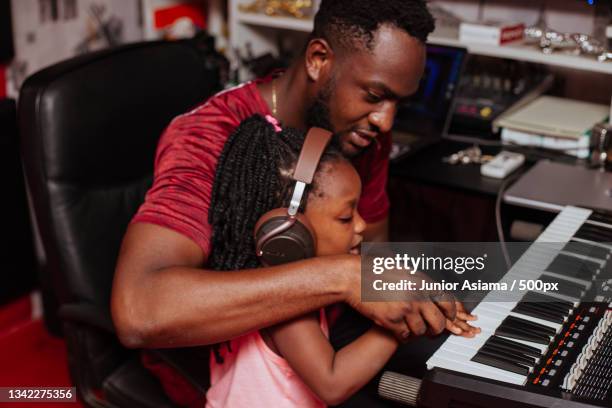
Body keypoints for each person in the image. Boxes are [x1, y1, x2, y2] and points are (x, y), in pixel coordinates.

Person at [111, 0, 475, 406]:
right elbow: (139, 310)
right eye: (375, 95)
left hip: (326, 333)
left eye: (398, 104)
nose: (385, 121)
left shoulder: (360, 129)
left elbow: (371, 252)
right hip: (241, 374)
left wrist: (411, 296)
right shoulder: (211, 137)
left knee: (465, 370)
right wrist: (343, 277)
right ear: (319, 58)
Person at [204, 114, 478, 407]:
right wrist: (401, 326)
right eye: (346, 217)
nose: (361, 225)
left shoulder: (275, 282)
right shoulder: (286, 305)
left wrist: (417, 301)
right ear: (291, 230)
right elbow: (332, 383)